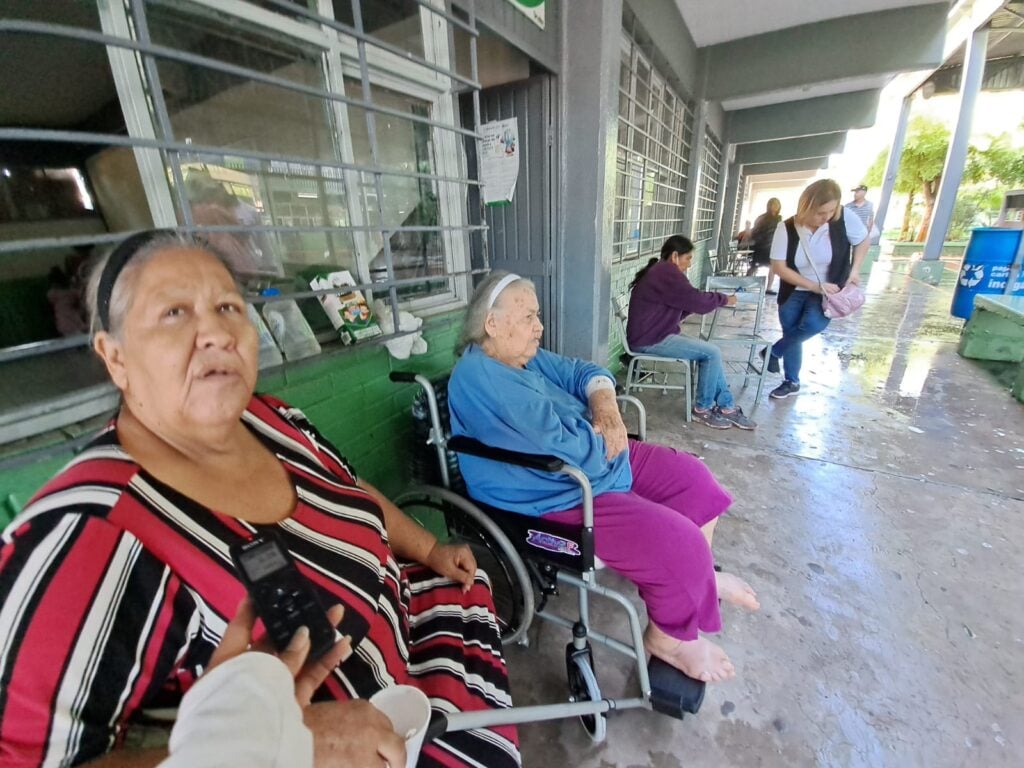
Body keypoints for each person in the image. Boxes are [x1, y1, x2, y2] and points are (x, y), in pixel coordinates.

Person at [0, 230, 520, 768]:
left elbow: (349, 491)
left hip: (416, 653)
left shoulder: (271, 419)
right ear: (115, 356)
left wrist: (430, 550)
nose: (216, 333)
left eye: (228, 306)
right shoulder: (85, 532)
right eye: (174, 313)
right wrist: (271, 750)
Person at [447, 271, 760, 684]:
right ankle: (668, 640)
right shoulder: (484, 379)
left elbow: (584, 371)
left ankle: (698, 580)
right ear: (492, 324)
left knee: (694, 481)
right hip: (555, 491)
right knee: (678, 544)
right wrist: (603, 429)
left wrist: (605, 406)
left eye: (537, 316)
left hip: (596, 459)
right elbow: (569, 450)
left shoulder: (518, 354)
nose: (540, 327)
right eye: (529, 318)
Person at [626, 235, 757, 430]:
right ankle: (702, 409)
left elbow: (688, 300)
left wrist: (704, 301)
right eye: (687, 259)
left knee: (710, 352)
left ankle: (727, 407)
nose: (688, 265)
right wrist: (724, 299)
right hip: (649, 339)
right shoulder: (665, 272)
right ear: (675, 256)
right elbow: (696, 300)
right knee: (711, 353)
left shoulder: (661, 272)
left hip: (655, 334)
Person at [764, 179, 869, 399]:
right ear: (807, 206)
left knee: (813, 324)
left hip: (830, 289)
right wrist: (813, 286)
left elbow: (863, 240)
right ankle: (791, 381)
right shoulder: (788, 228)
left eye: (831, 210)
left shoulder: (843, 218)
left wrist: (855, 269)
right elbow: (779, 268)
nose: (827, 217)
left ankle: (774, 351)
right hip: (795, 289)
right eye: (821, 212)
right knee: (792, 331)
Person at [746, 198, 783, 293]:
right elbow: (755, 230)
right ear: (769, 205)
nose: (774, 206)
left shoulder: (779, 218)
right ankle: (744, 285)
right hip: (761, 246)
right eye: (772, 204)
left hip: (772, 246)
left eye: (776, 204)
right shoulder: (762, 218)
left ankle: (769, 288)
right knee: (754, 266)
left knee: (772, 267)